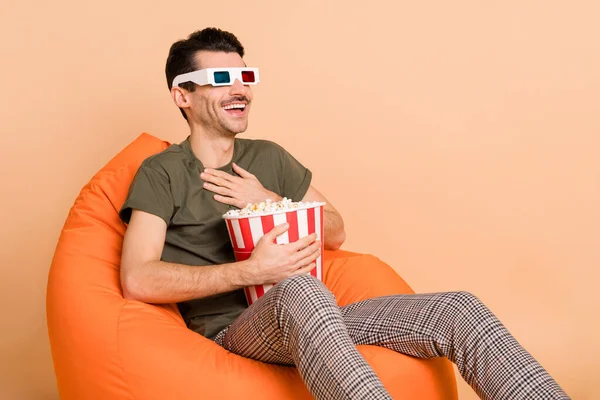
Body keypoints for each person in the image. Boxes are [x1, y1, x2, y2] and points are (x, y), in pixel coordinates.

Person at [118, 27, 569, 400]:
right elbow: (138, 278)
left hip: (317, 317)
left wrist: (269, 199)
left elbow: (335, 231)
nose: (240, 90)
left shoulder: (269, 157)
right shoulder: (163, 172)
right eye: (221, 79)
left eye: (245, 76)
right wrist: (252, 270)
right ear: (183, 96)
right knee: (302, 291)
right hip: (233, 330)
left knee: (456, 309)